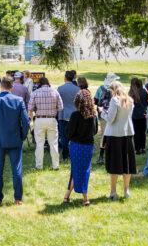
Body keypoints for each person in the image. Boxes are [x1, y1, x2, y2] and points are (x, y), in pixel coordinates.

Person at [0, 77, 30, 205]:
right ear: (12, 86)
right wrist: (22, 135)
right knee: (16, 169)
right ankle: (18, 198)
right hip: (14, 139)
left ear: (1, 86)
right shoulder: (18, 100)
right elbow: (26, 122)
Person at [63, 78, 96, 206]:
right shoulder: (92, 116)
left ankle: (84, 197)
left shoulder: (75, 115)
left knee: (77, 170)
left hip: (76, 145)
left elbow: (69, 133)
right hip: (88, 146)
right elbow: (94, 131)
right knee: (83, 170)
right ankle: (68, 196)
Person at [101, 81, 136, 199]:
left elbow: (110, 119)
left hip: (115, 135)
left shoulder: (114, 100)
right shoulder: (130, 100)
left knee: (114, 164)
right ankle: (126, 191)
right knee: (127, 164)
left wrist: (102, 113)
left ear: (113, 90)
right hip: (128, 134)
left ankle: (113, 192)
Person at [28, 77, 63, 170]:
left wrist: (36, 111)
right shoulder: (55, 92)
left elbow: (30, 108)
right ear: (48, 83)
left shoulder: (35, 93)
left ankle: (39, 166)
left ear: (39, 83)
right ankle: (56, 165)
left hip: (39, 119)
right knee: (54, 143)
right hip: (52, 119)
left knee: (39, 144)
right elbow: (61, 107)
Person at [95, 72, 118, 165]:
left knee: (104, 135)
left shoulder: (100, 88)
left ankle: (101, 156)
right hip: (114, 114)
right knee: (113, 134)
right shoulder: (116, 88)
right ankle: (112, 155)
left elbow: (96, 101)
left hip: (102, 114)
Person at [57, 71, 80, 161]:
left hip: (63, 114)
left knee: (63, 136)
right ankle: (73, 153)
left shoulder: (60, 88)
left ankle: (65, 154)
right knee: (74, 136)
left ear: (65, 77)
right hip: (74, 115)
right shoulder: (77, 89)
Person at [129, 78, 148, 154]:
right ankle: (143, 148)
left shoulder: (131, 93)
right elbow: (147, 102)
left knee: (136, 132)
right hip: (143, 115)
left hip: (134, 115)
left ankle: (137, 149)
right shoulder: (144, 91)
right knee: (142, 132)